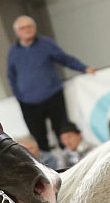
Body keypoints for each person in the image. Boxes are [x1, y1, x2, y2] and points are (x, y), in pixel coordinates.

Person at [7, 15, 95, 154]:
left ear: (35, 28)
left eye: (29, 27)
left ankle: (69, 160)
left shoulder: (46, 44)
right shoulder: (13, 51)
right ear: (17, 32)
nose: (27, 30)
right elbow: (11, 76)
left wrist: (84, 68)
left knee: (62, 130)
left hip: (53, 95)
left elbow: (64, 59)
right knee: (38, 137)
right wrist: (20, 96)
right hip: (28, 102)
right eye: (23, 28)